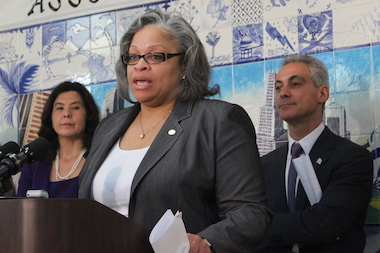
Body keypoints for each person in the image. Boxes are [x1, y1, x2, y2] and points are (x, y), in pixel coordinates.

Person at [78, 9, 271, 253]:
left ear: (185, 66)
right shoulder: (109, 127)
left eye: (155, 56)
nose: (140, 66)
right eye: (133, 57)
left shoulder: (217, 120)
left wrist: (206, 243)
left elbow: (250, 213)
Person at [255, 54, 373, 252]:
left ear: (322, 94)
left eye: (295, 84)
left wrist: (256, 226)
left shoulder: (352, 158)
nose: (283, 93)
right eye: (278, 87)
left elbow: (324, 224)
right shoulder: (265, 165)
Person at [17, 81, 99, 198]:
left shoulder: (99, 159)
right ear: (50, 117)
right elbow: (20, 210)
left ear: (88, 115)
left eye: (75, 107)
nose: (66, 114)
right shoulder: (34, 164)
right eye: (60, 108)